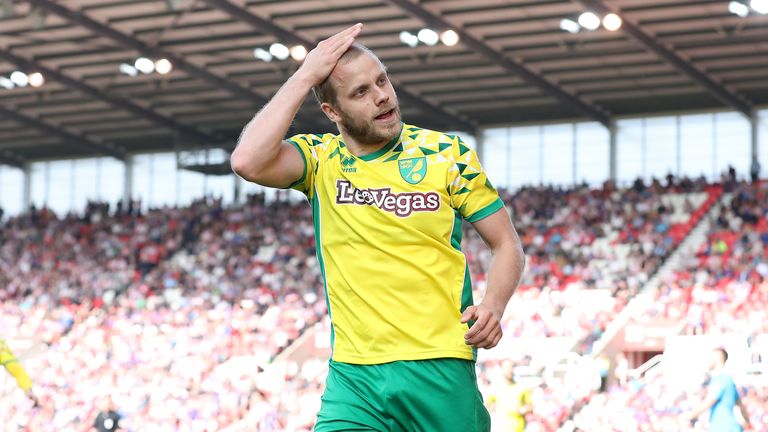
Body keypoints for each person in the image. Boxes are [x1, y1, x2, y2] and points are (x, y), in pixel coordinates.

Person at [231, 23, 525, 431]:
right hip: (354, 376)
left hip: (439, 366)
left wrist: (493, 305)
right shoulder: (319, 160)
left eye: (382, 80)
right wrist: (304, 76)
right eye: (361, 92)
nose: (382, 96)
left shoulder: (447, 153)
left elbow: (507, 244)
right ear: (332, 112)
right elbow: (247, 161)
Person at [688, 348, 751, 432]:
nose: (708, 360)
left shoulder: (721, 379)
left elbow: (708, 403)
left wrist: (689, 416)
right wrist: (748, 422)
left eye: (710, 357)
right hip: (728, 427)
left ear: (718, 357)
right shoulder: (727, 380)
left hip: (724, 427)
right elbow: (740, 405)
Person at [487, 362, 532, 432]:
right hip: (500, 428)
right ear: (502, 369)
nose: (510, 370)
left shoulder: (522, 387)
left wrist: (521, 410)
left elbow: (530, 406)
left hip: (518, 428)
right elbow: (488, 406)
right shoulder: (495, 387)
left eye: (512, 367)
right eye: (508, 368)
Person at [0, 336, 39, 406]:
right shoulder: (3, 342)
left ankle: (28, 392)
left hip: (8, 362)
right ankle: (28, 391)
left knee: (20, 374)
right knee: (20, 374)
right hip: (10, 361)